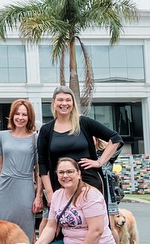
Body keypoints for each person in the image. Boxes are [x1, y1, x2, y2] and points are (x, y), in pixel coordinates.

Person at [37, 85, 122, 229]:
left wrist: (99, 162)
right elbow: (43, 164)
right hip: (61, 182)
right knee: (63, 226)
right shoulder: (46, 130)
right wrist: (50, 193)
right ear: (54, 103)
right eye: (60, 100)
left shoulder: (84, 123)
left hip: (88, 180)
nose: (64, 103)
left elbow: (115, 138)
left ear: (73, 103)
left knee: (94, 224)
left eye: (68, 100)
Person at [0, 99, 38, 241]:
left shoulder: (35, 138)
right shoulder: (1, 136)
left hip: (24, 188)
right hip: (3, 188)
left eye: (24, 114)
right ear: (12, 115)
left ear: (29, 117)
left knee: (25, 229)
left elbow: (38, 169)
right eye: (17, 114)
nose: (20, 118)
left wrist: (39, 195)